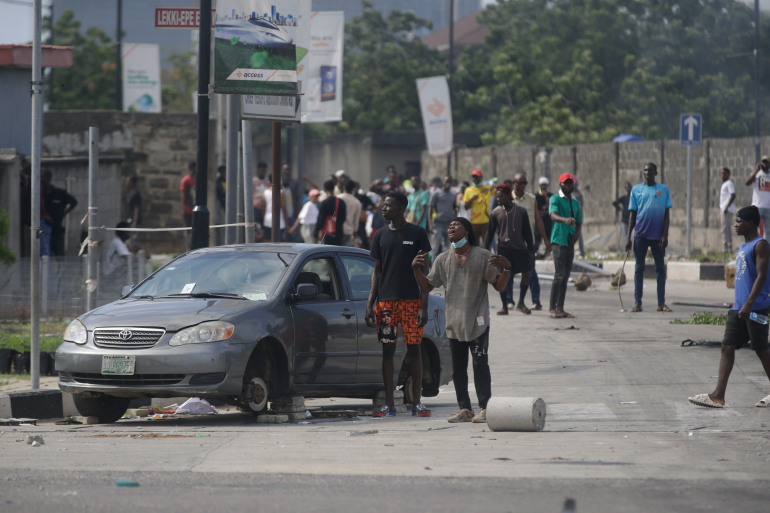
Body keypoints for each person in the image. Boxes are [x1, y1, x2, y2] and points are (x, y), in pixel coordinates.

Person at [412, 217, 510, 423]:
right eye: (449, 226)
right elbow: (428, 287)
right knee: (458, 369)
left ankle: (485, 408)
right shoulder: (442, 259)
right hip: (454, 324)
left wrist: (507, 269)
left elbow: (499, 286)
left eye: (456, 225)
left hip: (478, 322)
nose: (450, 228)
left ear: (466, 232)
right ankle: (465, 409)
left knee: (480, 365)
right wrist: (416, 270)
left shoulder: (482, 256)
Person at [689, 206, 770, 409]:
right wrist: (740, 305)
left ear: (751, 223)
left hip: (756, 307)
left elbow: (761, 277)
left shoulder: (760, 245)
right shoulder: (743, 247)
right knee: (727, 347)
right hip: (739, 308)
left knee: (761, 348)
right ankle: (718, 395)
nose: (735, 225)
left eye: (739, 221)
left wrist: (749, 303)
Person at [365, 192, 432, 417]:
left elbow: (425, 273)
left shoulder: (417, 233)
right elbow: (377, 272)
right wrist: (369, 304)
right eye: (383, 205)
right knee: (387, 351)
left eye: (388, 206)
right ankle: (389, 404)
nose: (383, 209)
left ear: (401, 207)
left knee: (414, 350)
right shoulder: (380, 235)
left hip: (412, 302)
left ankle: (417, 403)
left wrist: (424, 305)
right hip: (386, 303)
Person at [626, 162, 672, 313]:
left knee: (660, 269)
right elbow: (632, 214)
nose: (647, 174)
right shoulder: (636, 190)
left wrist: (665, 235)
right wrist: (628, 237)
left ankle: (661, 303)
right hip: (641, 235)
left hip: (658, 236)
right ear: (642, 173)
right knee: (639, 269)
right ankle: (637, 303)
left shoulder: (663, 190)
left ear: (656, 173)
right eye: (645, 171)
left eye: (650, 171)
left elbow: (666, 215)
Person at [485, 183, 533, 315]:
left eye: (500, 197)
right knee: (502, 276)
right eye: (497, 197)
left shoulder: (521, 211)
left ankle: (521, 303)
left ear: (507, 196)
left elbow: (527, 232)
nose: (498, 199)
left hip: (519, 248)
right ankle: (504, 306)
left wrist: (531, 250)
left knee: (525, 274)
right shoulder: (495, 212)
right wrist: (484, 250)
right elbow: (490, 233)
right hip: (503, 249)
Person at [511, 173, 550, 311]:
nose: (522, 186)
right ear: (514, 183)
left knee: (530, 272)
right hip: (511, 243)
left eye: (524, 183)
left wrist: (545, 239)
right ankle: (509, 301)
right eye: (519, 183)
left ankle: (536, 301)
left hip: (528, 243)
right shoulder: (508, 198)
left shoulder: (532, 199)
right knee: (509, 272)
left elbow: (538, 220)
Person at [549, 173, 582, 319]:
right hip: (559, 241)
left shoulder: (575, 202)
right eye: (565, 183)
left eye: (570, 183)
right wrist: (564, 220)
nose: (568, 185)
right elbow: (553, 215)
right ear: (560, 184)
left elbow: (579, 221)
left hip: (570, 242)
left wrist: (577, 235)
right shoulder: (555, 198)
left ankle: (560, 308)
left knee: (566, 275)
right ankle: (552, 307)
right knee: (559, 275)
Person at [43, 170, 78, 256]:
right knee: (44, 256)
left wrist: (64, 213)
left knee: (60, 255)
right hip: (43, 230)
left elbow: (74, 202)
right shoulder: (40, 194)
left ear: (49, 179)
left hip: (57, 230)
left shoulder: (59, 193)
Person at [429, 176, 457, 260]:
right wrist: (430, 223)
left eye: (449, 182)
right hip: (438, 223)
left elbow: (454, 207)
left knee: (448, 247)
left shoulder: (453, 194)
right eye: (446, 182)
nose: (448, 184)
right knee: (435, 247)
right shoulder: (436, 193)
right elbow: (430, 208)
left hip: (449, 223)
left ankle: (445, 267)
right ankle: (433, 268)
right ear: (443, 183)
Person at [462, 169, 493, 242]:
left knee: (487, 243)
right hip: (474, 221)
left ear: (481, 177)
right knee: (475, 244)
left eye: (477, 177)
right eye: (473, 177)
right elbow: (466, 207)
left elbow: (497, 193)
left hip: (486, 220)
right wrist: (471, 200)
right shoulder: (468, 190)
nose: (475, 179)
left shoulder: (487, 188)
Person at [314, 180, 347, 245]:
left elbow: (321, 219)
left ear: (325, 189)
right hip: (339, 233)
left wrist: (316, 232)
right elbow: (343, 218)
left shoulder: (324, 203)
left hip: (327, 234)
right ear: (334, 188)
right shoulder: (341, 202)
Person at [746, 155, 770, 240]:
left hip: (768, 207)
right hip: (757, 206)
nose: (765, 164)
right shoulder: (757, 174)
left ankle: (766, 249)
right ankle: (754, 246)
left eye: (766, 162)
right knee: (753, 228)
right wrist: (756, 170)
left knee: (768, 231)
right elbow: (747, 182)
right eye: (763, 162)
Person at [338, 179, 362, 247]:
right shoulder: (357, 202)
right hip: (349, 232)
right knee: (345, 254)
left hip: (337, 231)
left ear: (343, 187)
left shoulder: (338, 198)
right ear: (353, 189)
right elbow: (356, 220)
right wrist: (354, 232)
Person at [720, 168, 736, 253]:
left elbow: (733, 195)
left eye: (724, 173)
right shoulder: (724, 184)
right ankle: (727, 248)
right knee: (725, 229)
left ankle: (727, 249)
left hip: (727, 210)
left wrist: (726, 207)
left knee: (725, 229)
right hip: (725, 209)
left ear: (728, 174)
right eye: (721, 173)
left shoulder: (729, 183)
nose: (722, 175)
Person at [180, 161, 196, 250]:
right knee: (188, 230)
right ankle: (188, 248)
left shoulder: (198, 180)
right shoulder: (186, 180)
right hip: (188, 209)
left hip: (195, 209)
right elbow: (183, 195)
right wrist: (184, 209)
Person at [612, 182, 632, 252]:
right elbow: (614, 203)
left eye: (629, 187)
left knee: (632, 236)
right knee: (625, 236)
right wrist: (620, 209)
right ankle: (625, 251)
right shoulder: (624, 198)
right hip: (624, 220)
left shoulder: (633, 198)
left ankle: (632, 252)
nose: (628, 189)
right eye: (627, 187)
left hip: (632, 220)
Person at [535, 176, 553, 254]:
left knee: (549, 236)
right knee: (537, 236)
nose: (544, 187)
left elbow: (551, 208)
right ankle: (535, 251)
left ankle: (548, 252)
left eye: (545, 185)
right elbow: (536, 209)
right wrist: (542, 212)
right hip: (539, 219)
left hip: (548, 220)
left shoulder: (550, 195)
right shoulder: (536, 196)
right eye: (542, 185)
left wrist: (546, 197)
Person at [124, 175, 141, 251]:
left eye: (128, 181)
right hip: (129, 219)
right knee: (128, 241)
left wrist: (134, 222)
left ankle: (143, 256)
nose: (126, 183)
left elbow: (137, 208)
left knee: (133, 241)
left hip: (133, 221)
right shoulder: (130, 193)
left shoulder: (136, 193)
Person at [252, 162, 270, 227]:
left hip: (265, 207)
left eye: (264, 171)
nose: (263, 172)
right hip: (255, 207)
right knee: (255, 225)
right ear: (258, 170)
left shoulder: (268, 181)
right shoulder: (253, 180)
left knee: (264, 225)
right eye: (261, 170)